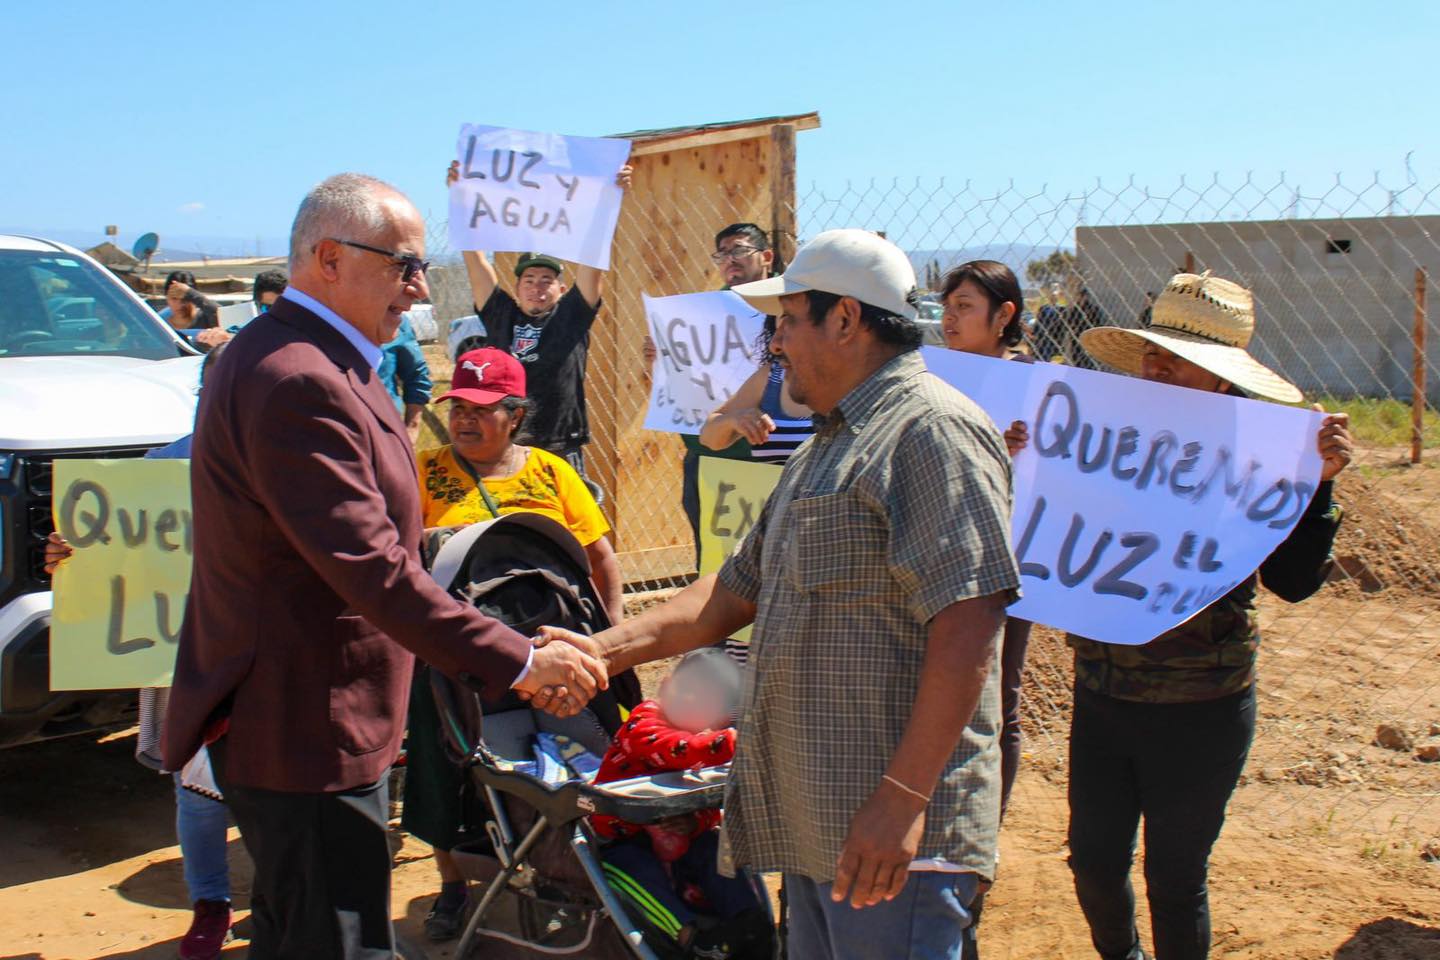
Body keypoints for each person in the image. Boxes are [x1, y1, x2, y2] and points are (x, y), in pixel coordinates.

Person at [161, 172, 609, 960]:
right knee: (337, 941)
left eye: (420, 267)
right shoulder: (298, 377)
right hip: (305, 722)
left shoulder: (317, 359)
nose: (418, 287)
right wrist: (519, 660)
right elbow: (370, 567)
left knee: (306, 933)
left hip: (312, 715)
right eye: (403, 265)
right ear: (329, 259)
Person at [539, 229, 1021, 959]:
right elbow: (732, 591)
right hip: (819, 820)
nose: (776, 343)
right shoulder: (826, 445)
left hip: (890, 837)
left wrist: (902, 801)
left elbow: (970, 623)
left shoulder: (932, 430)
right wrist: (598, 652)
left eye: (789, 321)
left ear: (846, 319)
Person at [1006, 271, 1353, 960]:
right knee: (1094, 861)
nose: (1157, 368)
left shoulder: (1266, 453)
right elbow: (1043, 522)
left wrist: (1318, 489)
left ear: (1223, 379)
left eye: (1179, 359)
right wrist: (1020, 463)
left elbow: (1292, 584)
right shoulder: (1104, 436)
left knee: (1174, 879)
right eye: (1153, 353)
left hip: (1205, 705)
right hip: (1103, 692)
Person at [404, 345, 622, 939]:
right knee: (444, 767)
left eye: (482, 409)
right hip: (455, 651)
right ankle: (452, 883)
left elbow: (601, 559)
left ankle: (572, 870)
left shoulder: (551, 472)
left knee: (568, 759)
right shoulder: (422, 470)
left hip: (551, 646)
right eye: (458, 408)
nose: (465, 420)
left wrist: (607, 640)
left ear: (516, 414)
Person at [44, 344, 238, 960]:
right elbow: (118, 558)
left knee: (276, 786)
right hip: (184, 659)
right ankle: (211, 904)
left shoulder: (290, 466)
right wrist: (72, 559)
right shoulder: (158, 470)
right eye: (216, 390)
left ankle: (284, 900)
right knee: (196, 788)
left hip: (265, 655)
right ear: (202, 394)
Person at [936, 259, 1035, 960]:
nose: (949, 315)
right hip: (939, 556)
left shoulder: (1041, 389)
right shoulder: (931, 374)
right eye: (946, 303)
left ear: (1005, 316)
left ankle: (978, 837)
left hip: (1013, 562)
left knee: (999, 696)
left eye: (965, 304)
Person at [445, 160, 633, 475]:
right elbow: (475, 260)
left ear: (562, 288)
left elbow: (593, 262)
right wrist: (461, 197)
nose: (537, 287)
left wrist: (609, 202)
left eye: (547, 280)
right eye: (529, 280)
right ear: (517, 288)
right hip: (506, 442)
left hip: (560, 446)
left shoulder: (571, 316)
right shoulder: (501, 315)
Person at [593, 649, 770, 958]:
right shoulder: (643, 723)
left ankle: (749, 922)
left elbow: (709, 806)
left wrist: (695, 821)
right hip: (626, 839)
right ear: (666, 687)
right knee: (629, 869)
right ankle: (689, 937)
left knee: (716, 848)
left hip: (683, 841)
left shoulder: (705, 737)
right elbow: (676, 750)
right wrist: (734, 741)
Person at [376, 312, 432, 443]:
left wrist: (412, 429)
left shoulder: (394, 319)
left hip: (385, 431)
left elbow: (416, 375)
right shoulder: (328, 318)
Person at [200, 269, 289, 348]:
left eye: (286, 307)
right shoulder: (243, 331)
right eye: (269, 308)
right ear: (256, 306)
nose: (279, 314)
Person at [1030, 283, 1066, 362]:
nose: (1053, 298)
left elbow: (1062, 324)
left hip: (1054, 335)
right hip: (1042, 335)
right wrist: (1035, 332)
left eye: (1054, 296)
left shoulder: (1061, 309)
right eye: (1051, 296)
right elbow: (1039, 321)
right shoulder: (1043, 308)